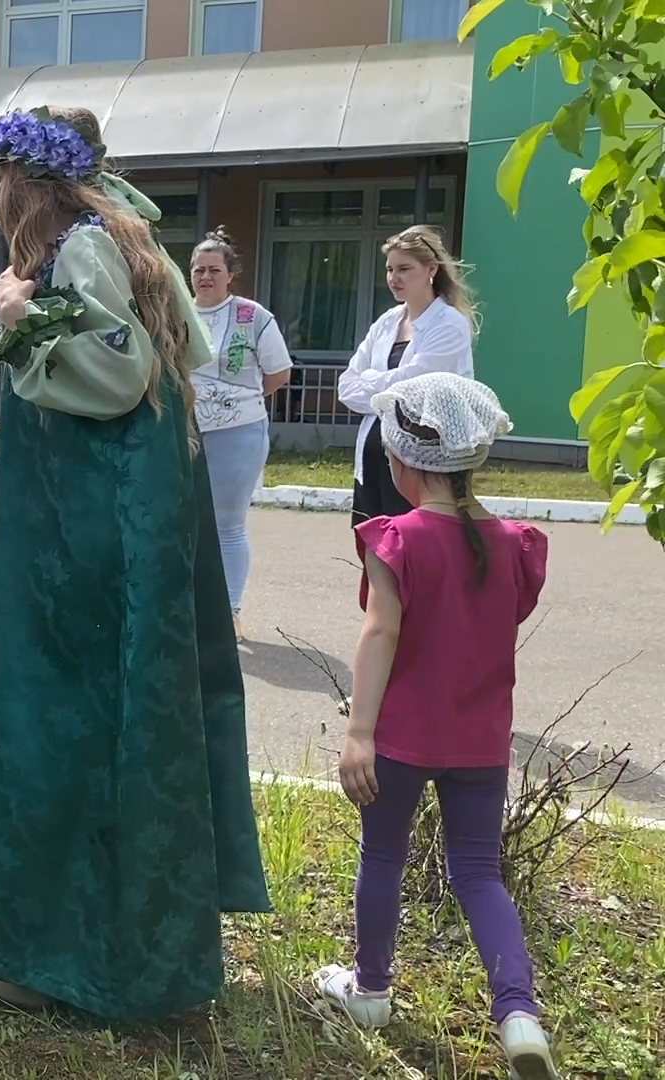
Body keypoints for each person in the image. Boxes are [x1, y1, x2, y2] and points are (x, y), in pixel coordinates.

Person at [0, 106, 270, 1021]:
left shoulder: (82, 248)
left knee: (68, 723)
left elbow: (115, 372)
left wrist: (19, 317)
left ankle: (69, 960)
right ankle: (103, 947)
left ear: (26, 179)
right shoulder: (123, 235)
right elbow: (189, 347)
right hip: (116, 514)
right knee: (107, 722)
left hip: (85, 529)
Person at [316, 372, 556, 1080]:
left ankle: (370, 988)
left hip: (399, 739)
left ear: (402, 461)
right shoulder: (514, 543)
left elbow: (380, 634)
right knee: (480, 874)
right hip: (480, 742)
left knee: (382, 857)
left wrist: (359, 730)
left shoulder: (397, 539)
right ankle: (518, 1013)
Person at [188, 227, 294, 637]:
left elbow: (279, 372)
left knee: (227, 523)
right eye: (199, 270)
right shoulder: (178, 310)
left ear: (230, 274)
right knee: (185, 520)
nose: (206, 277)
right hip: (185, 431)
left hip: (239, 432)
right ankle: (192, 605)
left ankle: (229, 610)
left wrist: (236, 400)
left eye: (214, 269)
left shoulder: (253, 316)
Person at [337, 225, 477, 533]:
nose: (393, 278)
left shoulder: (450, 324)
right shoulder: (387, 322)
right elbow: (347, 386)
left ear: (430, 269)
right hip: (374, 455)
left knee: (415, 552)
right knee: (373, 552)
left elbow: (416, 387)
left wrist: (372, 380)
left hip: (424, 462)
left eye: (404, 268)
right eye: (389, 269)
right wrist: (387, 385)